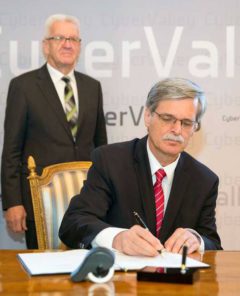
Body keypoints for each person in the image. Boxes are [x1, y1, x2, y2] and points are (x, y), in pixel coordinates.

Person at [59, 78, 222, 256]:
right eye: (168, 119)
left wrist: (196, 240)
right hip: (118, 279)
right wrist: (117, 238)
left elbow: (212, 242)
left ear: (194, 128)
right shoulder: (110, 161)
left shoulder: (204, 180)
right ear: (148, 116)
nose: (177, 130)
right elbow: (74, 223)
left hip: (175, 281)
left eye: (187, 123)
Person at [1, 14, 107, 249]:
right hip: (40, 204)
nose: (67, 44)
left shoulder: (93, 87)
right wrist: (12, 203)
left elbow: (101, 149)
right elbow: (11, 150)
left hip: (87, 203)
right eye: (59, 37)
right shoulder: (23, 87)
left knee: (86, 270)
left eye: (73, 39)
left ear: (79, 46)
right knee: (42, 278)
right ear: (45, 45)